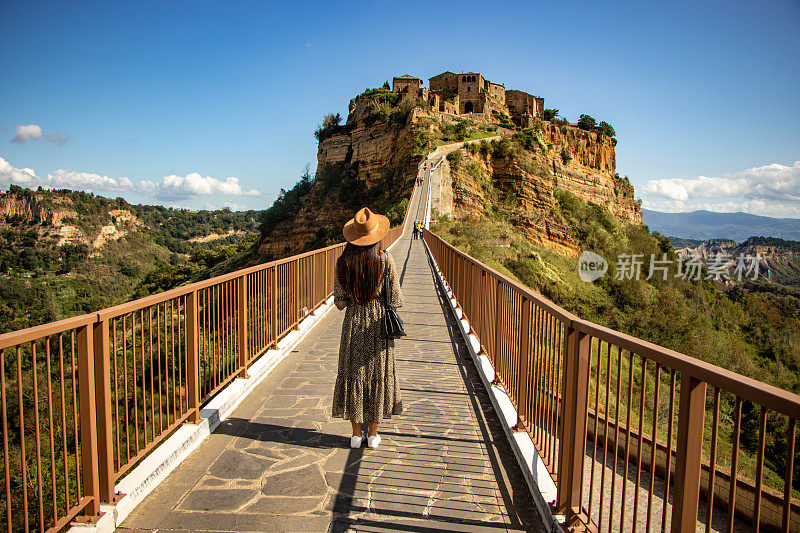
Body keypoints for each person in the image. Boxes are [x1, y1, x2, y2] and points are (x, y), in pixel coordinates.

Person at [332, 207, 404, 449]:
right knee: (377, 374)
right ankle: (372, 434)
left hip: (353, 321)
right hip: (378, 323)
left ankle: (355, 434)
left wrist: (355, 295)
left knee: (354, 374)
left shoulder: (343, 262)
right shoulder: (385, 259)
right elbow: (396, 299)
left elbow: (339, 302)